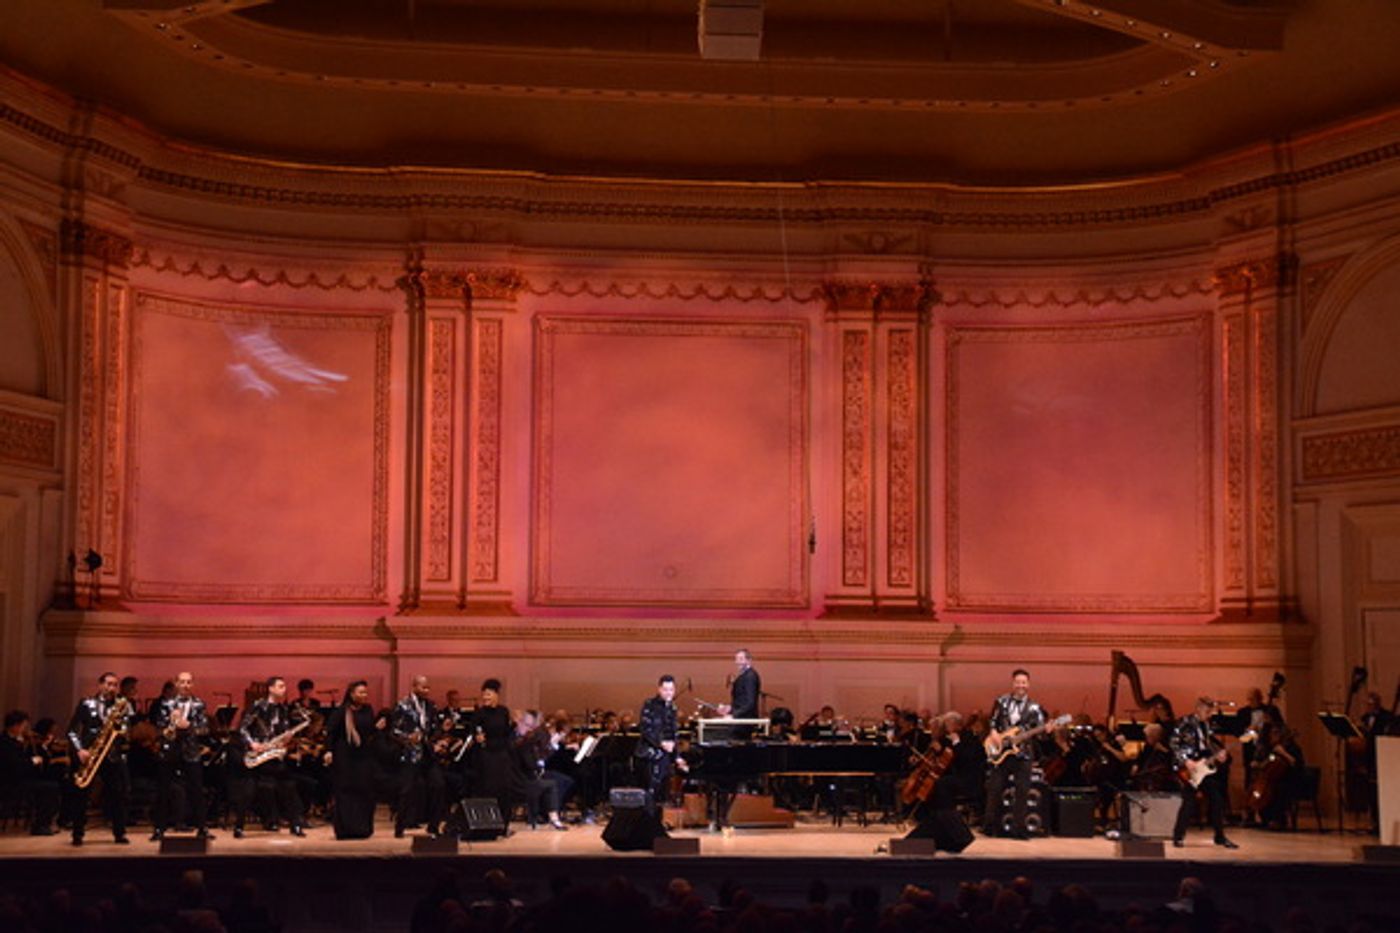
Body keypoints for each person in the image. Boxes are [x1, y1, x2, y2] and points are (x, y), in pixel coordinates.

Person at [234, 676, 308, 838]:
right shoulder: (258, 706)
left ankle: (295, 825)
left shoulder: (283, 709)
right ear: (271, 688)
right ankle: (238, 826)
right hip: (259, 753)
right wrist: (252, 744)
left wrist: (287, 738)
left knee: (289, 788)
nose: (284, 689)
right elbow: (243, 728)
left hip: (275, 753)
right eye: (280, 686)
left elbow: (282, 731)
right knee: (249, 791)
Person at [66, 671, 134, 846]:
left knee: (117, 795)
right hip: (90, 755)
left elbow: (126, 729)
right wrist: (80, 750)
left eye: (115, 685)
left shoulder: (121, 705)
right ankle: (77, 834)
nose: (112, 688)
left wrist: (121, 728)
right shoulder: (86, 704)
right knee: (81, 795)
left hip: (111, 755)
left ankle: (119, 833)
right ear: (100, 685)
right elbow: (72, 731)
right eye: (109, 684)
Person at [982, 669, 1045, 839]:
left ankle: (1019, 828)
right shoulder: (1001, 701)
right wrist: (994, 732)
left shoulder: (1035, 707)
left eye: (1024, 682)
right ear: (1013, 683)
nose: (1021, 685)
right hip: (1001, 752)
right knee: (994, 789)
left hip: (1023, 754)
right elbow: (992, 721)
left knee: (1022, 792)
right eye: (1018, 682)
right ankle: (990, 826)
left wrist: (1047, 729)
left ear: (1028, 684)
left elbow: (1040, 731)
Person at [149, 670, 211, 840]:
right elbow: (159, 728)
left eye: (189, 682)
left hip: (190, 751)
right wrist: (171, 723)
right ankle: (159, 829)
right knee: (163, 790)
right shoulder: (166, 704)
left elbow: (205, 728)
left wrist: (189, 726)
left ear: (193, 685)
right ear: (176, 684)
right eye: (182, 682)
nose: (185, 685)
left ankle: (202, 828)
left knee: (197, 790)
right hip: (169, 750)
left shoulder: (199, 704)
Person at [1170, 696, 1238, 849]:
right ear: (1198, 709)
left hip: (1203, 768)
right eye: (1207, 711)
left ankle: (1219, 837)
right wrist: (1186, 760)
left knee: (1217, 799)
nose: (1209, 714)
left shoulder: (1207, 726)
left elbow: (1206, 747)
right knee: (1188, 802)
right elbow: (1173, 743)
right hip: (1188, 768)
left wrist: (1219, 755)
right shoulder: (1184, 722)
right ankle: (1178, 836)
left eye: (1210, 712)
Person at [391, 675, 446, 838]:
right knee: (407, 791)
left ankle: (434, 825)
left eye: (428, 687)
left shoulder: (430, 705)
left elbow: (435, 728)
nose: (427, 691)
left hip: (428, 752)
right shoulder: (403, 705)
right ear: (414, 687)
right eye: (423, 687)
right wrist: (408, 737)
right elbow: (394, 730)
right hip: (411, 753)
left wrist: (437, 739)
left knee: (439, 785)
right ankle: (400, 825)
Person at [325, 680, 377, 839]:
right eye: (361, 692)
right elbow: (331, 732)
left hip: (363, 756)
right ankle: (345, 829)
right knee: (346, 792)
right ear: (352, 694)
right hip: (345, 757)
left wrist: (377, 729)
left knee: (364, 791)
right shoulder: (342, 711)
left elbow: (370, 731)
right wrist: (329, 751)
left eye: (365, 692)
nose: (364, 695)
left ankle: (362, 828)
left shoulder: (368, 710)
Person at [466, 678, 516, 832]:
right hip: (487, 756)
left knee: (504, 789)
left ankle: (503, 825)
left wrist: (514, 724)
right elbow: (474, 732)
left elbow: (506, 733)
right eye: (484, 695)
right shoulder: (479, 714)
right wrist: (477, 736)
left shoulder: (503, 711)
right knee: (488, 789)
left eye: (488, 694)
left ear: (496, 695)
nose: (485, 698)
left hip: (502, 755)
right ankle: (488, 825)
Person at [0, 709, 60, 835]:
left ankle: (44, 823)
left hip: (21, 779)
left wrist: (40, 750)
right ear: (15, 726)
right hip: (10, 783)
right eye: (23, 726)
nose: (25, 729)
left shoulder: (16, 741)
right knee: (49, 788)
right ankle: (40, 826)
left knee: (50, 784)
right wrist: (32, 761)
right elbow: (14, 766)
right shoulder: (5, 742)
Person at [636, 675, 685, 810]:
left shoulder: (673, 708)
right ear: (659, 689)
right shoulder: (649, 705)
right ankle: (648, 818)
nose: (668, 693)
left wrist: (677, 756)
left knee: (664, 788)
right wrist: (661, 743)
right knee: (651, 788)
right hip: (650, 753)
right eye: (665, 689)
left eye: (671, 690)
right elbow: (645, 729)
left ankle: (660, 817)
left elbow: (674, 733)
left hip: (666, 754)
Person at [721, 648, 761, 720]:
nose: (738, 662)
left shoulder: (750, 676)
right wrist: (730, 708)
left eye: (741, 659)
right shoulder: (744, 676)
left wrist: (734, 715)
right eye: (736, 659)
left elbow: (750, 703)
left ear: (749, 660)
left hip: (746, 720)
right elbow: (740, 701)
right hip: (741, 718)